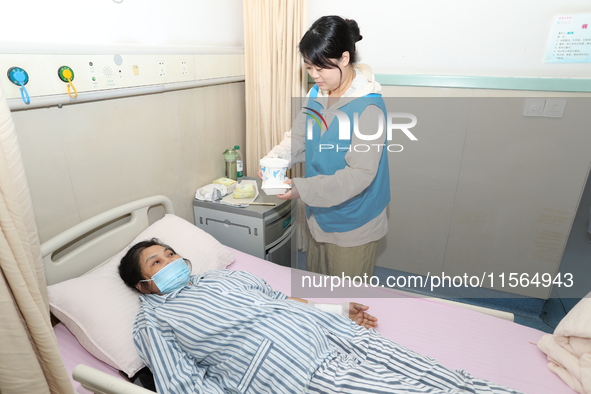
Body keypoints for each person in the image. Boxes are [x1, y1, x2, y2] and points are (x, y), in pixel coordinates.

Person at [119, 238, 523, 394]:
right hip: (295, 371)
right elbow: (183, 383)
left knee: (445, 379)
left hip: (338, 336)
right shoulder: (153, 321)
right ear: (144, 286)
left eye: (170, 253)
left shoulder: (221, 279)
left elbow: (281, 298)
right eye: (156, 262)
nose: (171, 261)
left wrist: (339, 308)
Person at [260, 15, 390, 278]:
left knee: (347, 298)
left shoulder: (369, 107)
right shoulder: (317, 94)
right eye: (309, 68)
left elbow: (359, 175)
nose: (314, 76)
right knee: (318, 284)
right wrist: (276, 159)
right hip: (320, 210)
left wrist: (301, 188)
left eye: (321, 68)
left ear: (344, 58)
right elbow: (299, 137)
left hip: (355, 219)